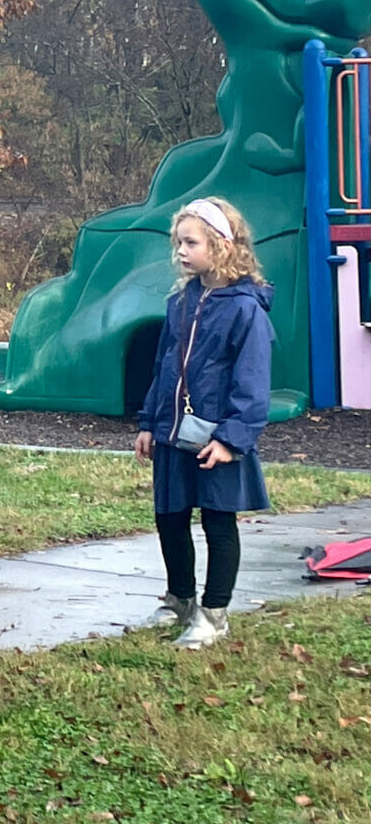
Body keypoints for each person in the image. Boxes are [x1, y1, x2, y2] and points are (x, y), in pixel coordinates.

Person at [135, 197, 274, 650]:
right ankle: (179, 598)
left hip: (218, 439)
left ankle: (213, 614)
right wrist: (150, 423)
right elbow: (163, 368)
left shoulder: (245, 309)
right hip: (175, 434)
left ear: (221, 245)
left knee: (218, 522)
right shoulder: (180, 302)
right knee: (169, 516)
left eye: (190, 242)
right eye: (178, 242)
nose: (180, 250)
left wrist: (233, 439)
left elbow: (252, 379)